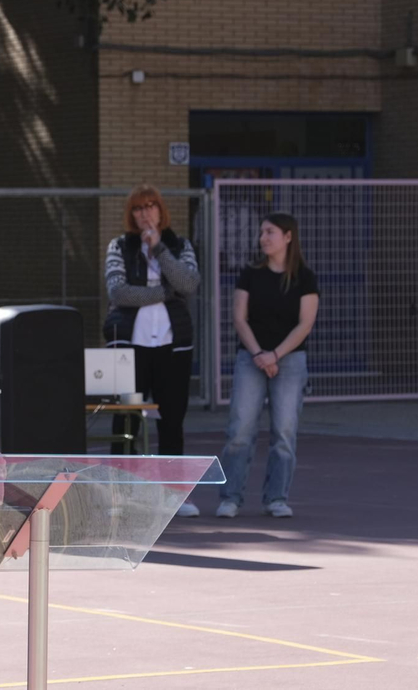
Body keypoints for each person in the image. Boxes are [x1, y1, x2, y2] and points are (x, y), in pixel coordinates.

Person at [101, 184, 202, 515]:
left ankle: (172, 495)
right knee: (126, 419)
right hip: (128, 349)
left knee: (172, 420)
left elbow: (188, 283)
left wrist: (159, 249)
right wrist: (164, 292)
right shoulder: (119, 246)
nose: (145, 213)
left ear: (161, 211)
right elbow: (118, 292)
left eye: (150, 206)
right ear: (131, 215)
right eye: (138, 209)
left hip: (172, 348)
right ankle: (122, 495)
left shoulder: (179, 244)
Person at [216, 212, 320, 518]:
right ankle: (230, 498)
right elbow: (239, 317)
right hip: (251, 359)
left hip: (290, 361)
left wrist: (275, 355)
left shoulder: (305, 278)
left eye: (270, 232)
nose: (263, 238)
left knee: (284, 431)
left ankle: (277, 498)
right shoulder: (250, 274)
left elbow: (305, 324)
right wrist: (260, 354)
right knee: (240, 429)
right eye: (261, 232)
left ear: (288, 237)